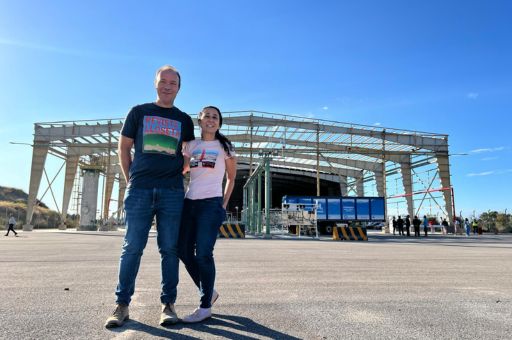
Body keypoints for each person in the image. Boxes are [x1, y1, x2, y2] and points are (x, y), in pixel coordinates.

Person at [105, 65, 195, 328]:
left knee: (169, 249)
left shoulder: (184, 120)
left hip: (171, 192)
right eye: (163, 81)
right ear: (155, 84)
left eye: (173, 83)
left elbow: (188, 155)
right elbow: (124, 148)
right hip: (140, 189)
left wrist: (179, 171)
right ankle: (122, 305)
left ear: (179, 88)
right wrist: (129, 179)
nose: (168, 86)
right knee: (132, 247)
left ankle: (168, 304)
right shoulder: (139, 112)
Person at [178, 106, 237, 323]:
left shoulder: (225, 146)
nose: (211, 120)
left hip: (211, 204)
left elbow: (231, 177)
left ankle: (204, 307)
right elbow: (184, 169)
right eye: (207, 116)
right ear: (200, 121)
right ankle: (209, 291)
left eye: (215, 117)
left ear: (219, 123)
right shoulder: (191, 145)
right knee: (183, 250)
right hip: (189, 202)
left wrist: (223, 204)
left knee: (203, 253)